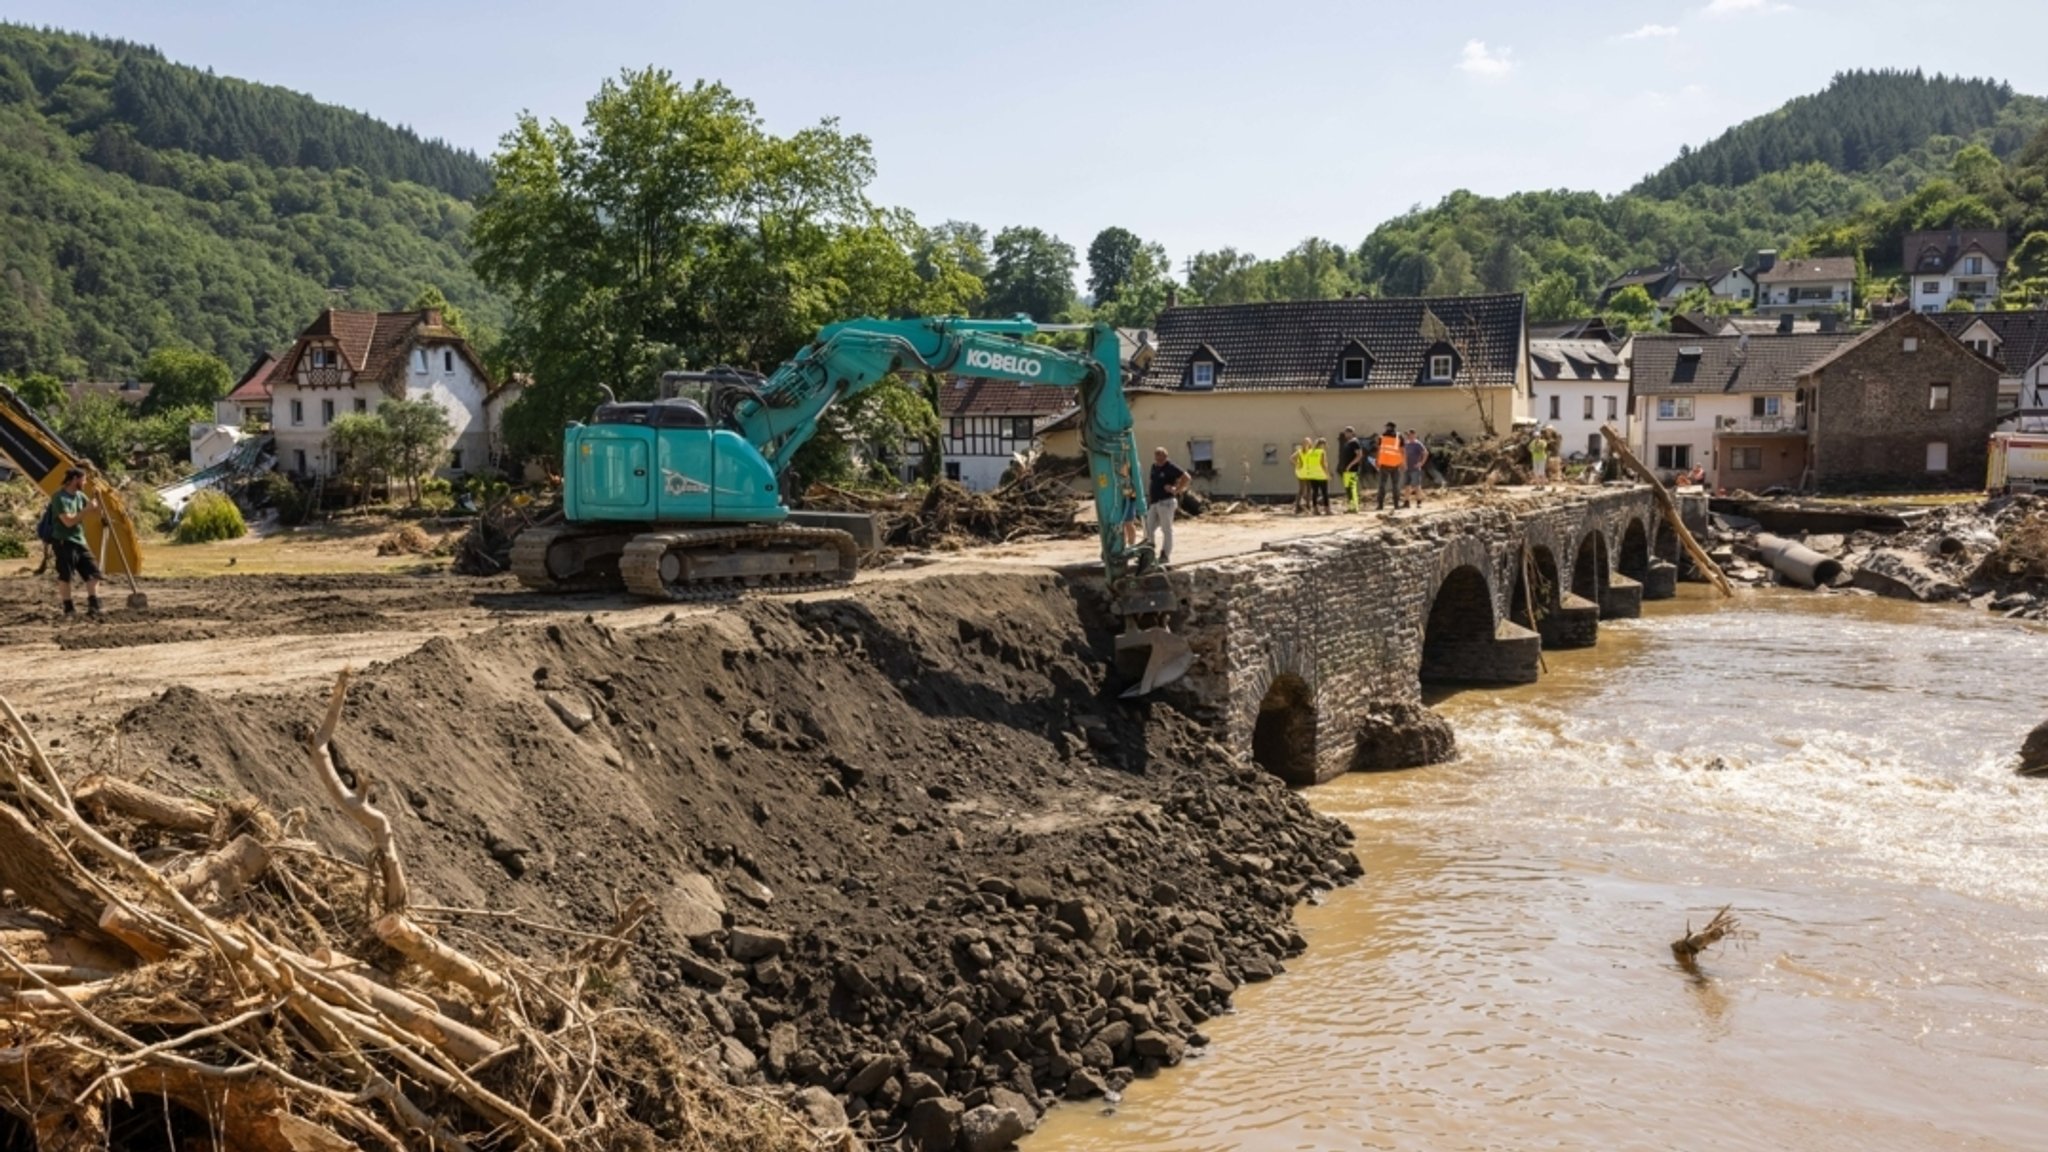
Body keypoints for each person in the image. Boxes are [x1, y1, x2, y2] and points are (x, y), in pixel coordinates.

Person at [46, 468, 103, 619]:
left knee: (94, 573)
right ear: (74, 479)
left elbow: (97, 512)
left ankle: (94, 605)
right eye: (83, 480)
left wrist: (99, 498)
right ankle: (68, 608)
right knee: (66, 576)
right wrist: (87, 509)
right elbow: (69, 522)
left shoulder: (80, 495)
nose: (85, 483)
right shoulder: (59, 498)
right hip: (64, 541)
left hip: (80, 540)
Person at [1145, 446, 1191, 564]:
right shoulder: (1154, 467)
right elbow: (1152, 481)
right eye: (1157, 457)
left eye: (1161, 458)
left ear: (1166, 457)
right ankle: (1148, 553)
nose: (1158, 460)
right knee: (1148, 528)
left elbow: (1186, 477)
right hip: (1154, 503)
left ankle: (1165, 554)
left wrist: (1177, 489)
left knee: (1166, 529)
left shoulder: (1170, 467)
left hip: (1166, 502)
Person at [1374, 422, 1405, 510]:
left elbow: (1379, 450)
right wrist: (1403, 462)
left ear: (1387, 427)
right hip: (1395, 464)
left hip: (1384, 464)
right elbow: (1402, 451)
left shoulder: (1382, 437)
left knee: (1382, 485)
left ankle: (1380, 505)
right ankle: (1396, 505)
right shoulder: (1399, 437)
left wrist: (1377, 461)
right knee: (1395, 485)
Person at [1336, 427, 1363, 513]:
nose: (1346, 434)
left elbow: (1359, 455)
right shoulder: (1348, 443)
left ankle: (1354, 507)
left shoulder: (1355, 442)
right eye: (1345, 432)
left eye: (1347, 432)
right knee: (1348, 489)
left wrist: (1350, 465)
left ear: (1352, 433)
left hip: (1352, 470)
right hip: (1346, 470)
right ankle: (1351, 507)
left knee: (1352, 488)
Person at [1401, 429, 1430, 508]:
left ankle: (1419, 502)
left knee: (1416, 486)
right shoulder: (1406, 444)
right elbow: (1403, 455)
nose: (1408, 436)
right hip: (1407, 468)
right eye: (1408, 435)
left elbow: (1425, 453)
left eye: (1410, 435)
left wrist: (1421, 463)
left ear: (1414, 435)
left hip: (1415, 468)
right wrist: (1403, 464)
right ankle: (1406, 502)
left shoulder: (1418, 444)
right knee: (1407, 486)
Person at [1306, 437, 1331, 514]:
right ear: (1322, 444)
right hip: (1321, 475)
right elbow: (1323, 464)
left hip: (1312, 475)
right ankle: (1327, 510)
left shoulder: (1309, 452)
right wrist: (1327, 474)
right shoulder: (1322, 452)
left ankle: (1315, 510)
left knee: (1315, 492)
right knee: (1325, 493)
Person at [1291, 436, 1313, 514]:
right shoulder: (1300, 451)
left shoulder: (1311, 451)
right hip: (1301, 472)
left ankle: (1308, 505)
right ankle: (1297, 507)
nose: (1306, 443)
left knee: (1309, 489)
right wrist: (1297, 464)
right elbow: (1292, 458)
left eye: (1307, 442)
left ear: (1310, 443)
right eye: (1305, 442)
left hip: (1309, 472)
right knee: (1302, 489)